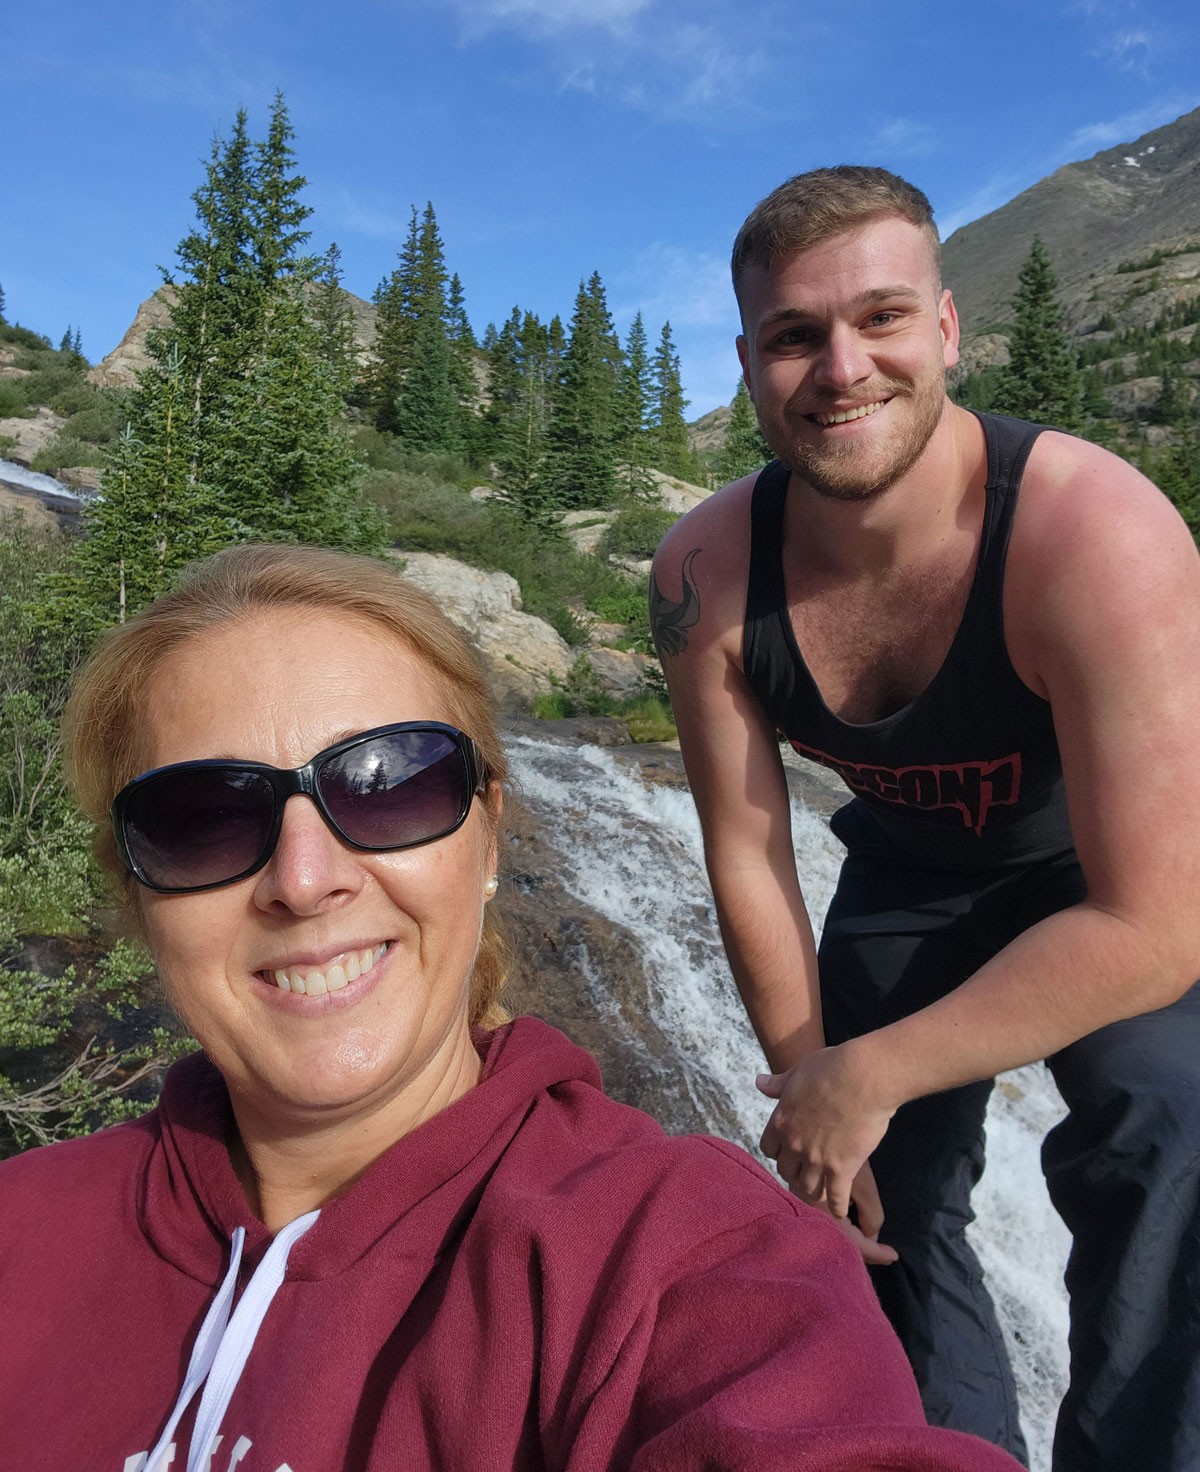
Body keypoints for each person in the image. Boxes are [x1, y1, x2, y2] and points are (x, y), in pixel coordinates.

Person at [0, 543, 1021, 1472]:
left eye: (389, 783)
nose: (304, 881)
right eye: (204, 818)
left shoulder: (688, 1257)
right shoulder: (23, 1233)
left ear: (488, 835)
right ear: (136, 890)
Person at [650, 167, 1200, 1472]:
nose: (841, 368)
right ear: (748, 363)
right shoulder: (706, 574)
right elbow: (747, 845)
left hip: (1100, 883)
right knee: (869, 1205)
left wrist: (876, 1070)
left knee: (1171, 1122)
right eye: (795, 336)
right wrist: (810, 1091)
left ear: (946, 329)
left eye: (881, 319)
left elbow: (1162, 922)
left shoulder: (1092, 535)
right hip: (905, 876)